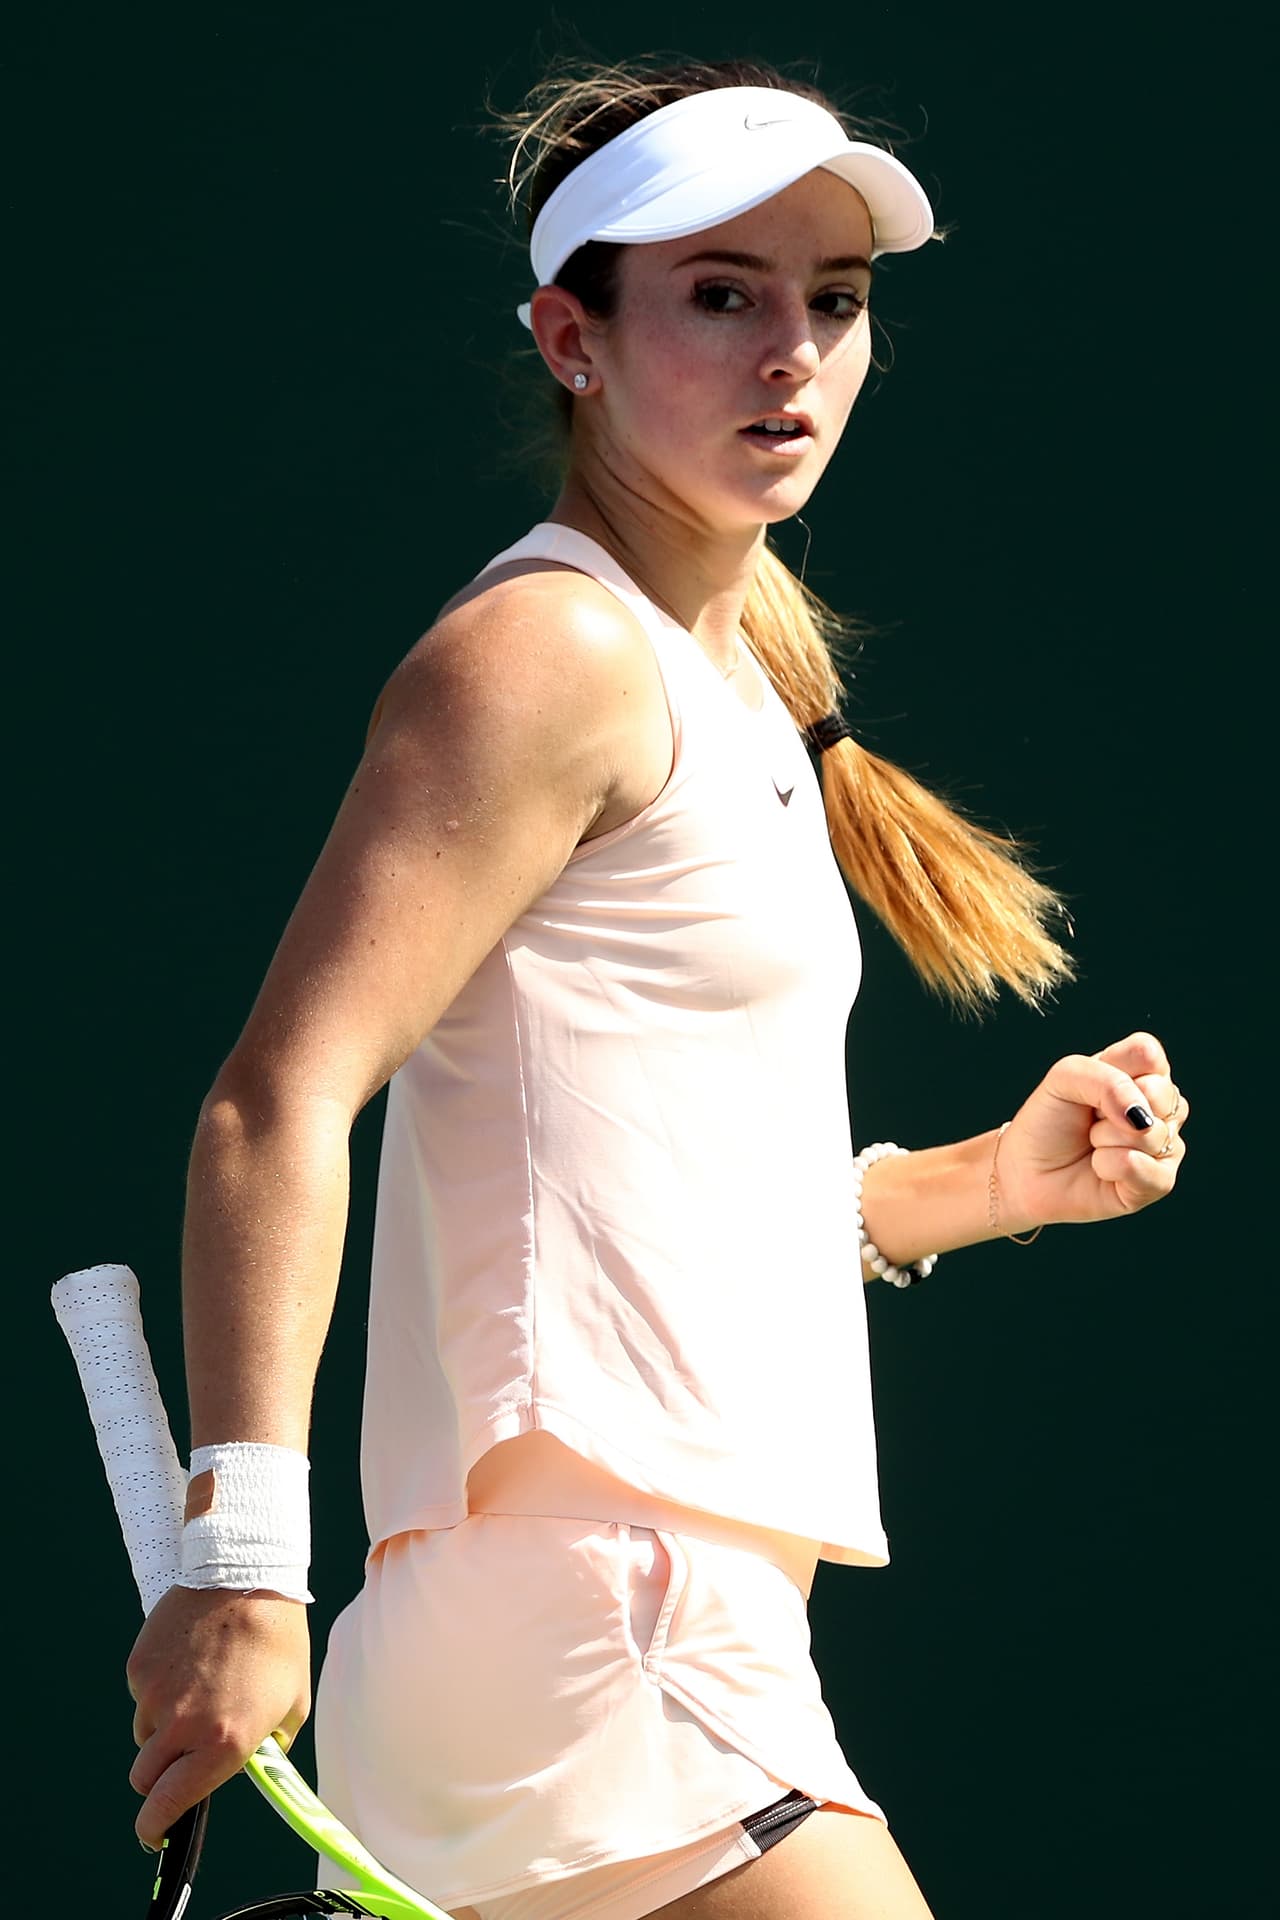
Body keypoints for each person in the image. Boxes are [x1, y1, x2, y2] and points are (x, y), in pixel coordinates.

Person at [125, 57, 1189, 1920]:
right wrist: (240, 1565)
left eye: (832, 305)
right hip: (609, 1614)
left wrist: (985, 1188)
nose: (793, 351)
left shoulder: (737, 695)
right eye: (721, 294)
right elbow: (274, 1101)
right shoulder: (545, 657)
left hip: (618, 1614)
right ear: (572, 338)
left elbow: (642, 1197)